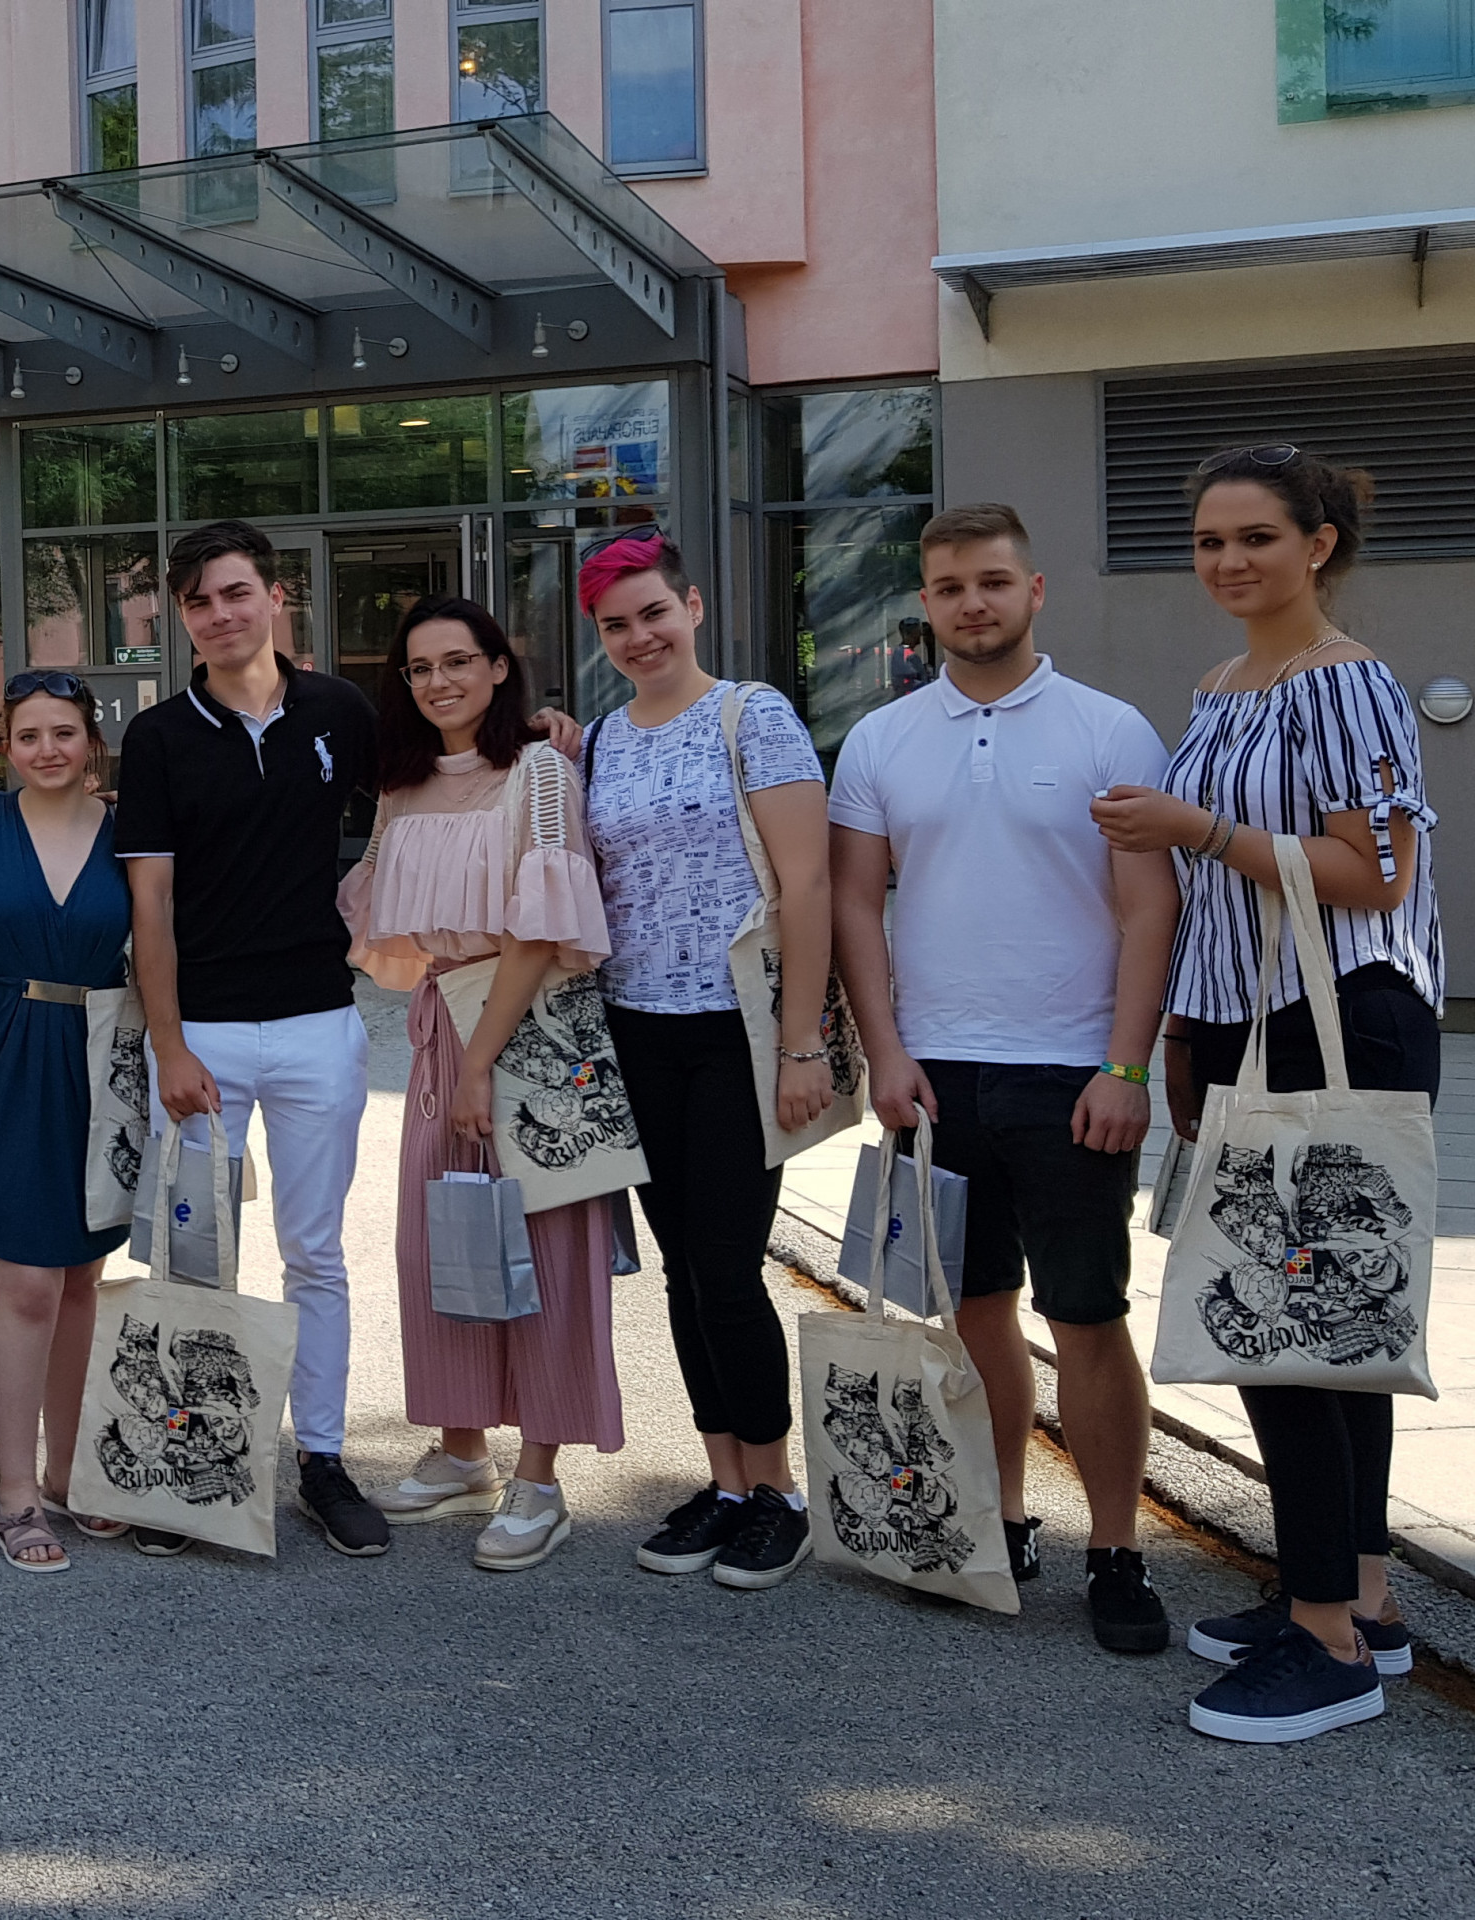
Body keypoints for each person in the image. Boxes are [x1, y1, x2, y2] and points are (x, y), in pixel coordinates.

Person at [1093, 447, 1442, 1743]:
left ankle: (1326, 1646)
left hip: (1344, 1019)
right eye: (1208, 541)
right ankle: (1357, 1600)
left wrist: (1192, 833)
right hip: (1251, 1024)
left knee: (1292, 1338)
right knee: (1326, 1332)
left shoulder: (1346, 684)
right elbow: (1237, 896)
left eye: (1256, 537)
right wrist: (1189, 1021)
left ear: (1321, 544)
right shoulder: (1223, 682)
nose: (1229, 561)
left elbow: (1374, 873)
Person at [828, 503, 1179, 1653]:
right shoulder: (882, 741)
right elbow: (853, 906)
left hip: (1072, 1072)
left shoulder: (1108, 728)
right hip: (935, 1078)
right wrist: (883, 1052)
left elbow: (1147, 909)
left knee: (1086, 1314)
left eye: (990, 582)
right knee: (974, 1311)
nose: (969, 603)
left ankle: (1117, 1546)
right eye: (946, 587)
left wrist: (1124, 1065)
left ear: (1035, 591)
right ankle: (1004, 1516)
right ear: (923, 605)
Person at [115, 519, 389, 1558]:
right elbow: (151, 904)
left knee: (313, 1254)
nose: (220, 615)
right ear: (181, 618)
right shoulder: (157, 737)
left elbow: (434, 779)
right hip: (205, 1044)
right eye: (198, 602)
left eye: (235, 593)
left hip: (320, 1025)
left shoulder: (340, 711)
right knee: (197, 1261)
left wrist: (540, 733)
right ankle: (196, 1461)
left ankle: (320, 1459)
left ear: (275, 597)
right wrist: (171, 1044)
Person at [570, 531, 833, 1591]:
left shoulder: (752, 715)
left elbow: (806, 888)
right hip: (636, 1027)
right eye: (614, 625)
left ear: (692, 605)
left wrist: (802, 1040)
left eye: (651, 614)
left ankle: (775, 1491)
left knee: (727, 1265)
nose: (638, 638)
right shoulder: (600, 739)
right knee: (680, 1269)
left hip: (739, 1029)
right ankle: (724, 1481)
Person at [340, 598, 622, 1570]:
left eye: (458, 661)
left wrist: (477, 1061)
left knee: (545, 1250)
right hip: (441, 1019)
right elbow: (380, 910)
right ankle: (462, 1445)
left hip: (530, 1025)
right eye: (419, 669)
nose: (438, 682)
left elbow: (541, 927)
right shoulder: (402, 784)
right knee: (441, 1239)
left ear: (500, 668)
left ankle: (538, 1477)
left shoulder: (541, 770)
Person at [0, 671, 131, 1571]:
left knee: (81, 1278)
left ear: (91, 741)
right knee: (29, 1284)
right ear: (7, 744)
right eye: (29, 734)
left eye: (65, 732)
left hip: (102, 1053)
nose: (48, 748)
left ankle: (71, 1468)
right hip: (5, 1051)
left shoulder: (130, 831)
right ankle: (15, 1495)